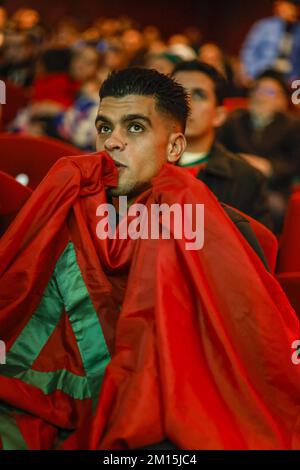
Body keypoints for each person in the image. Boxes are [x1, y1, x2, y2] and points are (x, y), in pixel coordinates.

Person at [0, 68, 300, 451]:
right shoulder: (67, 203)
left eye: (136, 128)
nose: (113, 142)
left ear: (174, 147)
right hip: (46, 398)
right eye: (104, 128)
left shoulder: (219, 229)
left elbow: (241, 354)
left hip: (163, 408)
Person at [172, 60, 272, 229]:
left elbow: (255, 250)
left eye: (198, 95)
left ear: (219, 115)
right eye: (177, 94)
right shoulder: (144, 167)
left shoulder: (246, 178)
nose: (185, 104)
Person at [218, 69, 300, 231]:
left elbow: (295, 162)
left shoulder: (292, 125)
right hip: (233, 183)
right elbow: (218, 149)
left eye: (269, 91)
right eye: (257, 89)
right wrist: (241, 162)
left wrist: (269, 167)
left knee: (271, 208)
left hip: (272, 188)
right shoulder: (234, 120)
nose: (260, 95)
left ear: (282, 100)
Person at [241, 0, 300, 81]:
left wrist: (296, 77)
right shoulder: (265, 26)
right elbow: (249, 50)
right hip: (263, 72)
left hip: (288, 77)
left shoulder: (298, 30)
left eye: (291, 7)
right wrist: (251, 72)